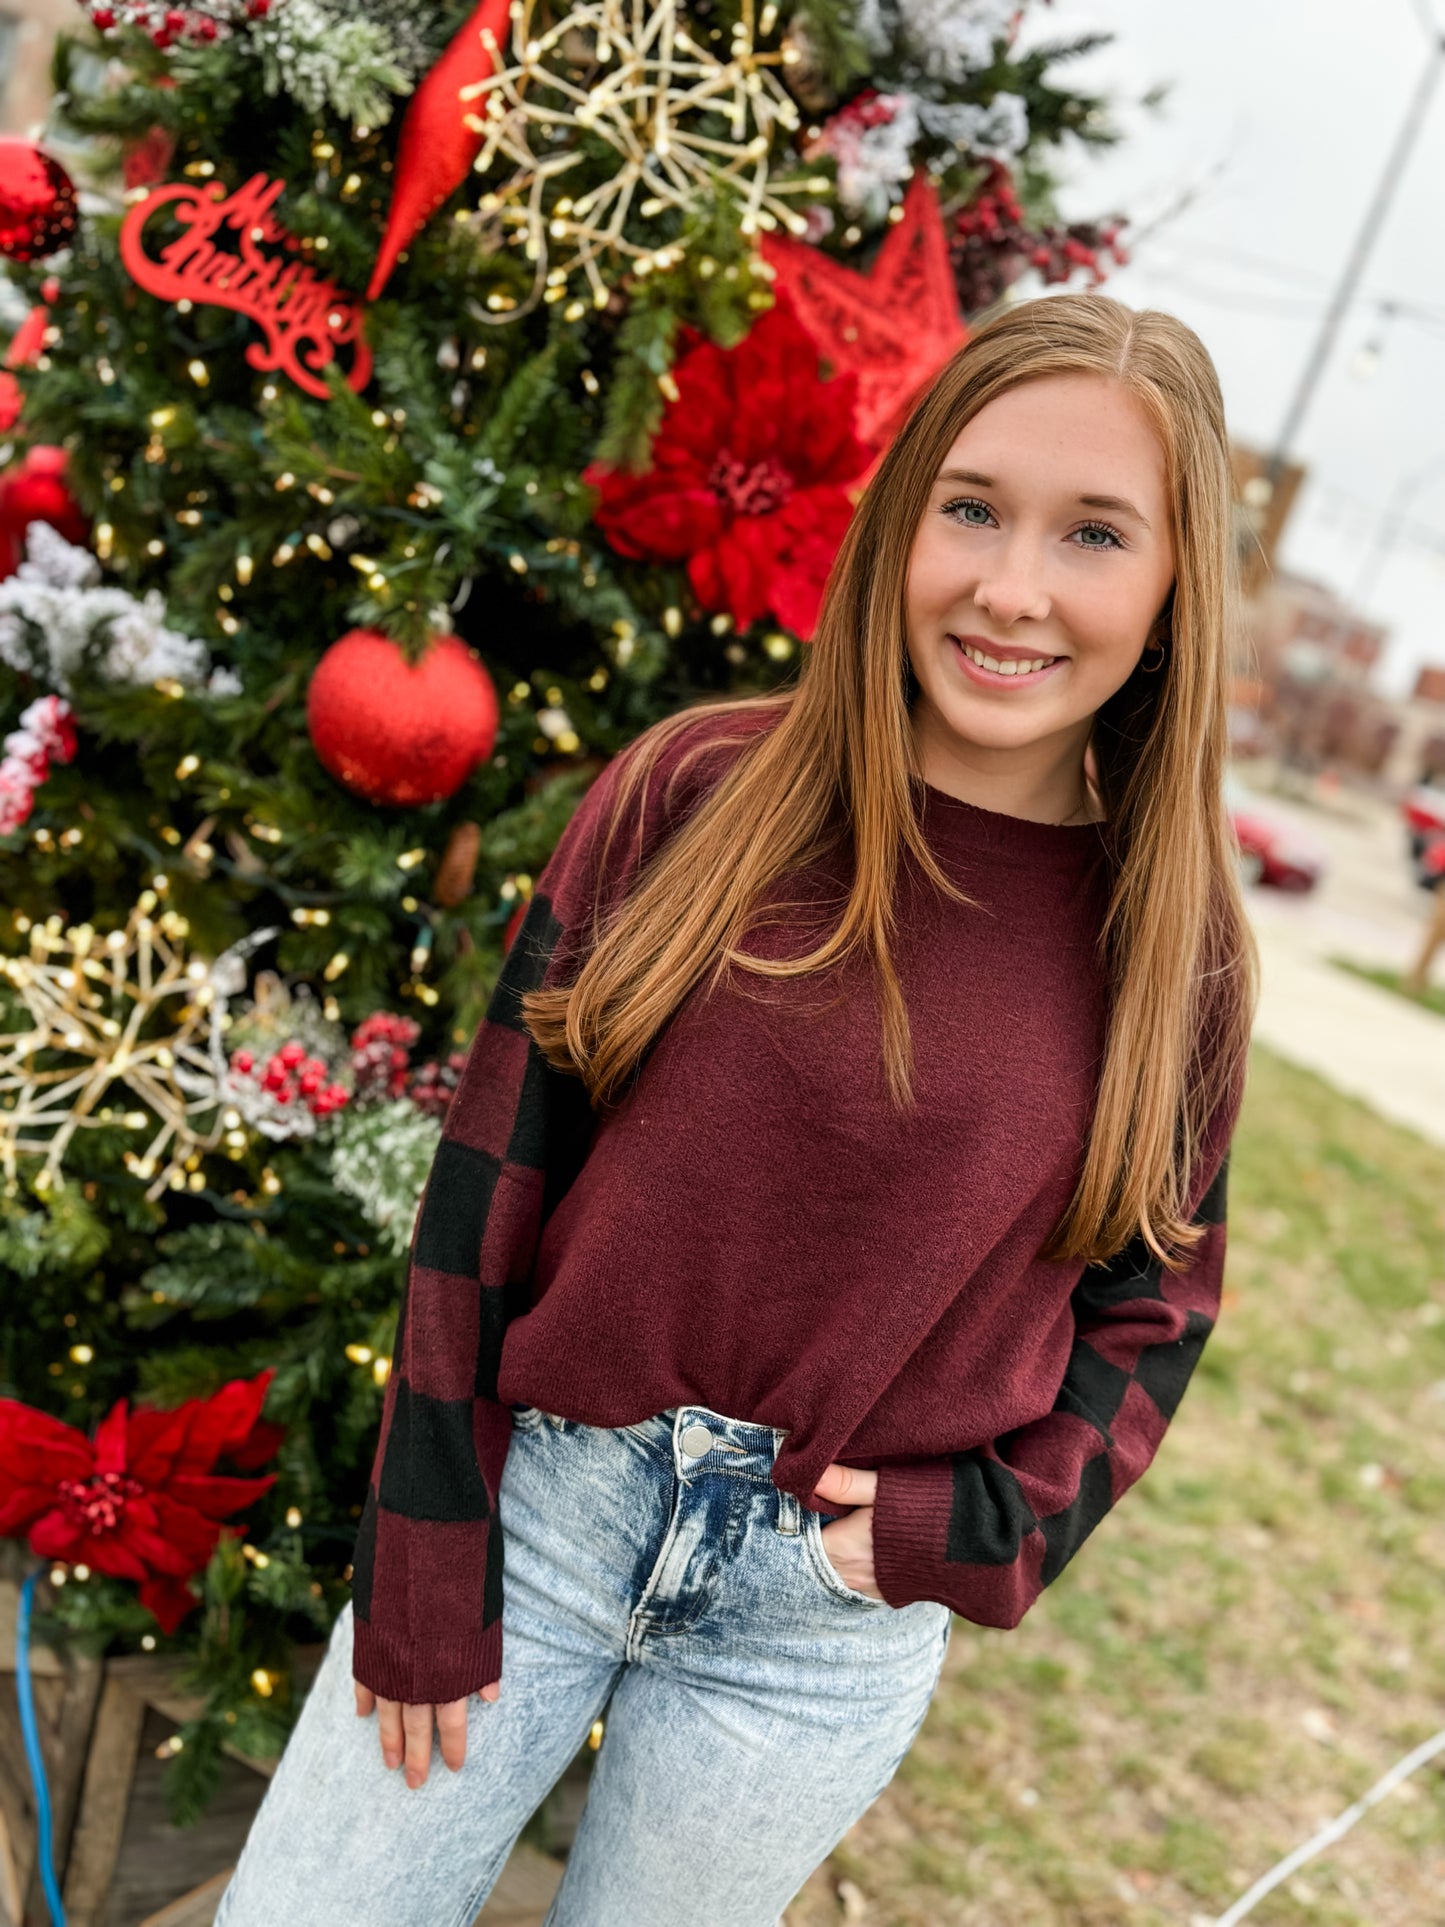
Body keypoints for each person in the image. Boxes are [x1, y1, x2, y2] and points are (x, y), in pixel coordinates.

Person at [215, 292, 1258, 1927]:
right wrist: (421, 1541)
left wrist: (982, 1528)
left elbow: (1154, 1313)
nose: (1010, 586)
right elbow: (486, 1183)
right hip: (536, 1526)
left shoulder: (1171, 948)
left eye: (1094, 535)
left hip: (812, 1635)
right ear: (900, 514)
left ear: (1175, 588)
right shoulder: (694, 793)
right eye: (969, 507)